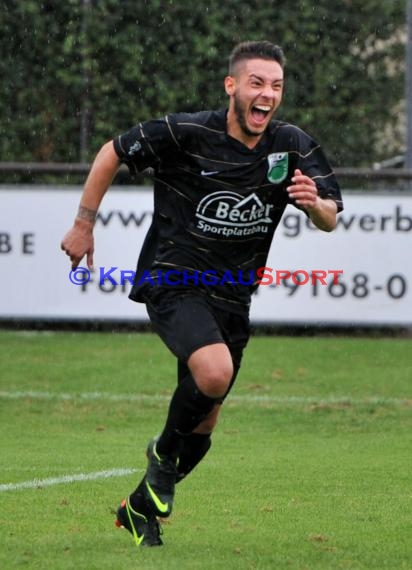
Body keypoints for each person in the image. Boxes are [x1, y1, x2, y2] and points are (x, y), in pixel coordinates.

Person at [61, 40, 343, 548]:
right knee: (215, 372)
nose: (268, 94)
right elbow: (113, 151)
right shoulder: (186, 132)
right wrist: (84, 225)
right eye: (257, 83)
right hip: (174, 277)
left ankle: (140, 505)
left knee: (204, 422)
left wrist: (313, 205)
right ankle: (161, 464)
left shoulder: (292, 144)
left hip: (234, 294)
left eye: (276, 85)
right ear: (231, 86)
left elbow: (329, 216)